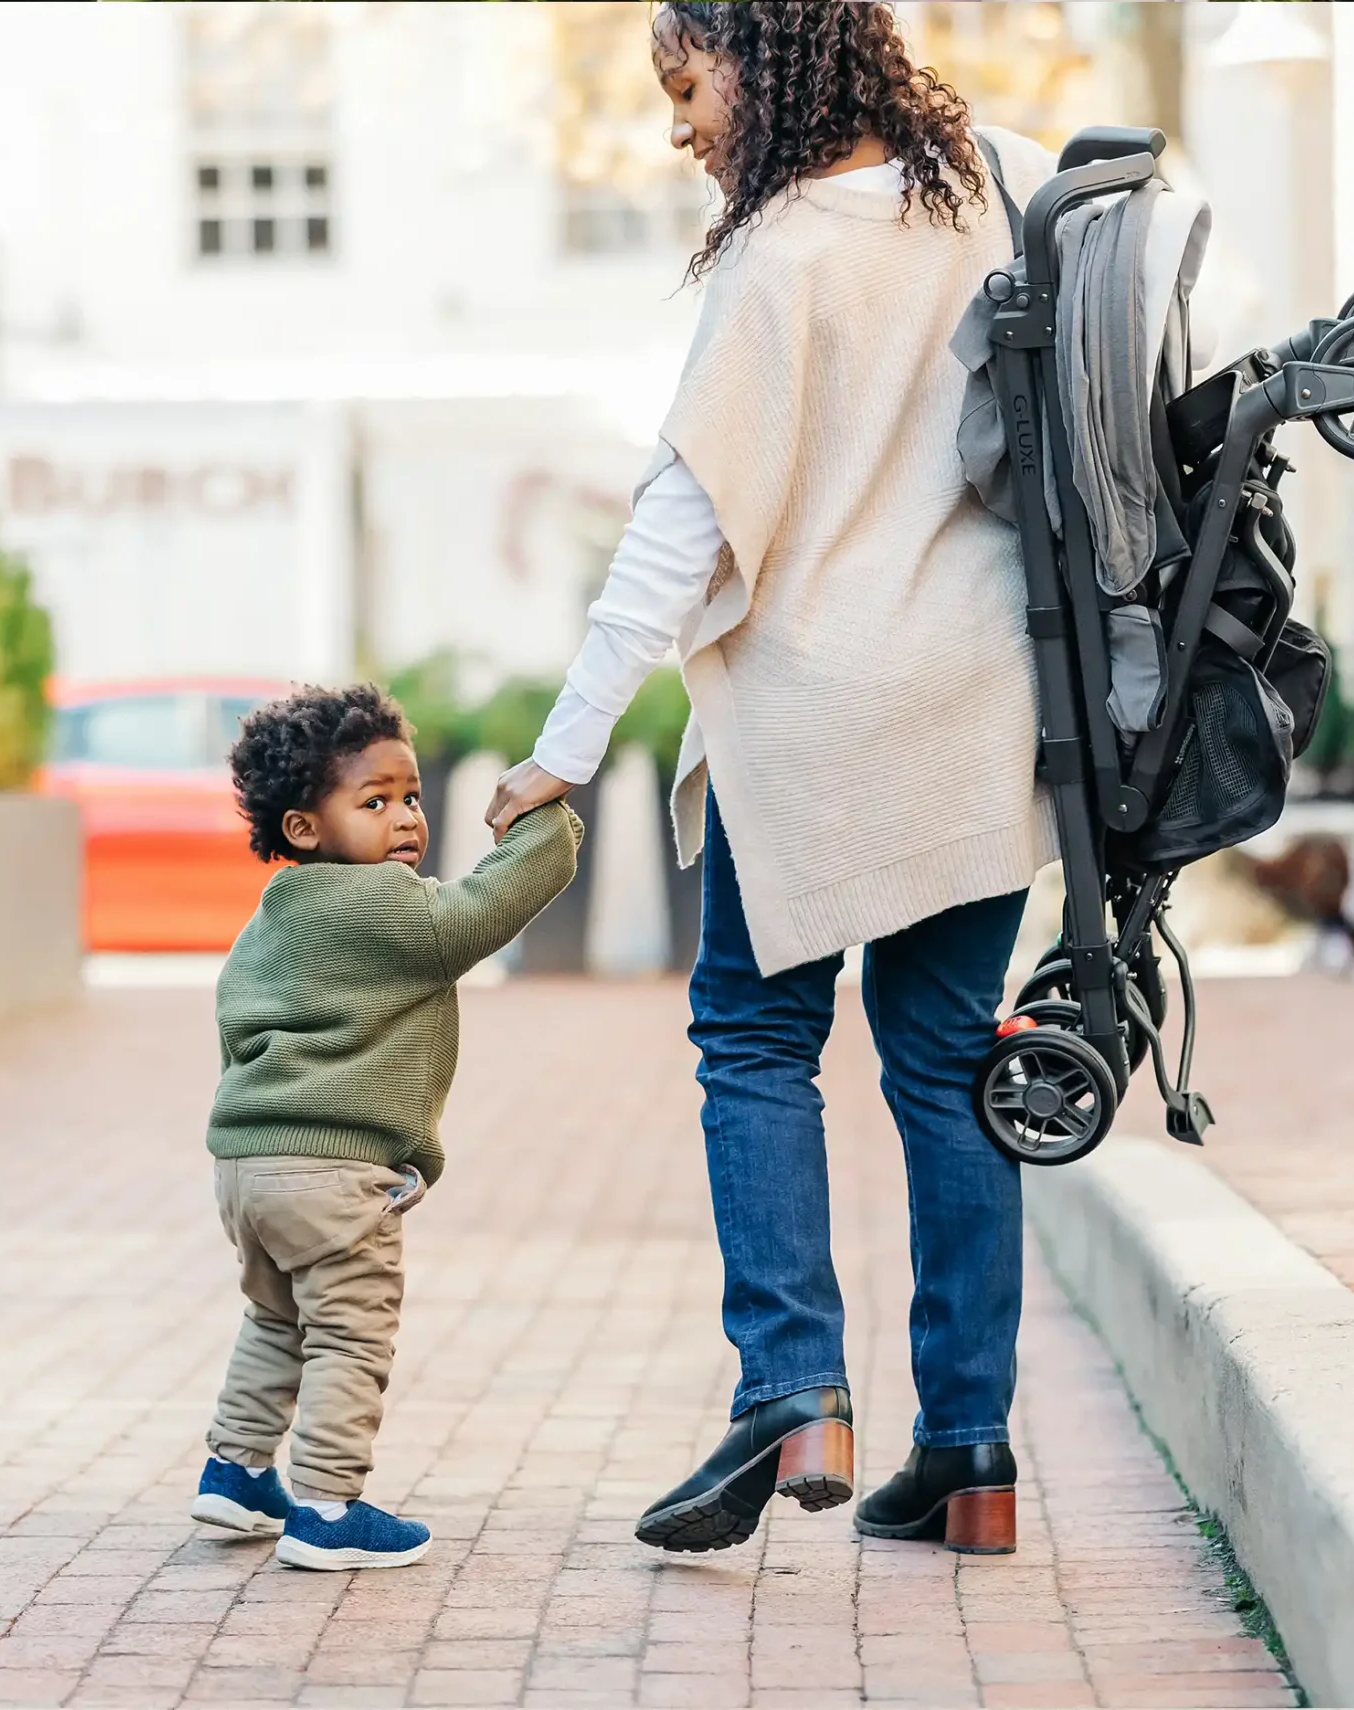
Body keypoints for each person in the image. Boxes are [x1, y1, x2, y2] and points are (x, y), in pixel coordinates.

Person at [486, 2, 1056, 1556]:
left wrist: (566, 743)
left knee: (754, 1034)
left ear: (764, 54)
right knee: (951, 1067)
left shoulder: (785, 252)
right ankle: (974, 1447)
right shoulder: (992, 193)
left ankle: (794, 1386)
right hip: (980, 711)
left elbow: (686, 520)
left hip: (815, 714)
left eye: (687, 84)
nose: (680, 125)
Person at [195, 685, 580, 1570]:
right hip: (332, 1172)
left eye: (410, 797)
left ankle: (238, 1470)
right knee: (350, 1332)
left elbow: (234, 1029)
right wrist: (547, 823)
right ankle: (328, 1507)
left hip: (248, 1167)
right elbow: (479, 913)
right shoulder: (378, 906)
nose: (406, 819)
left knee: (277, 1315)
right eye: (374, 802)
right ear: (303, 828)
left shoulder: (272, 921)